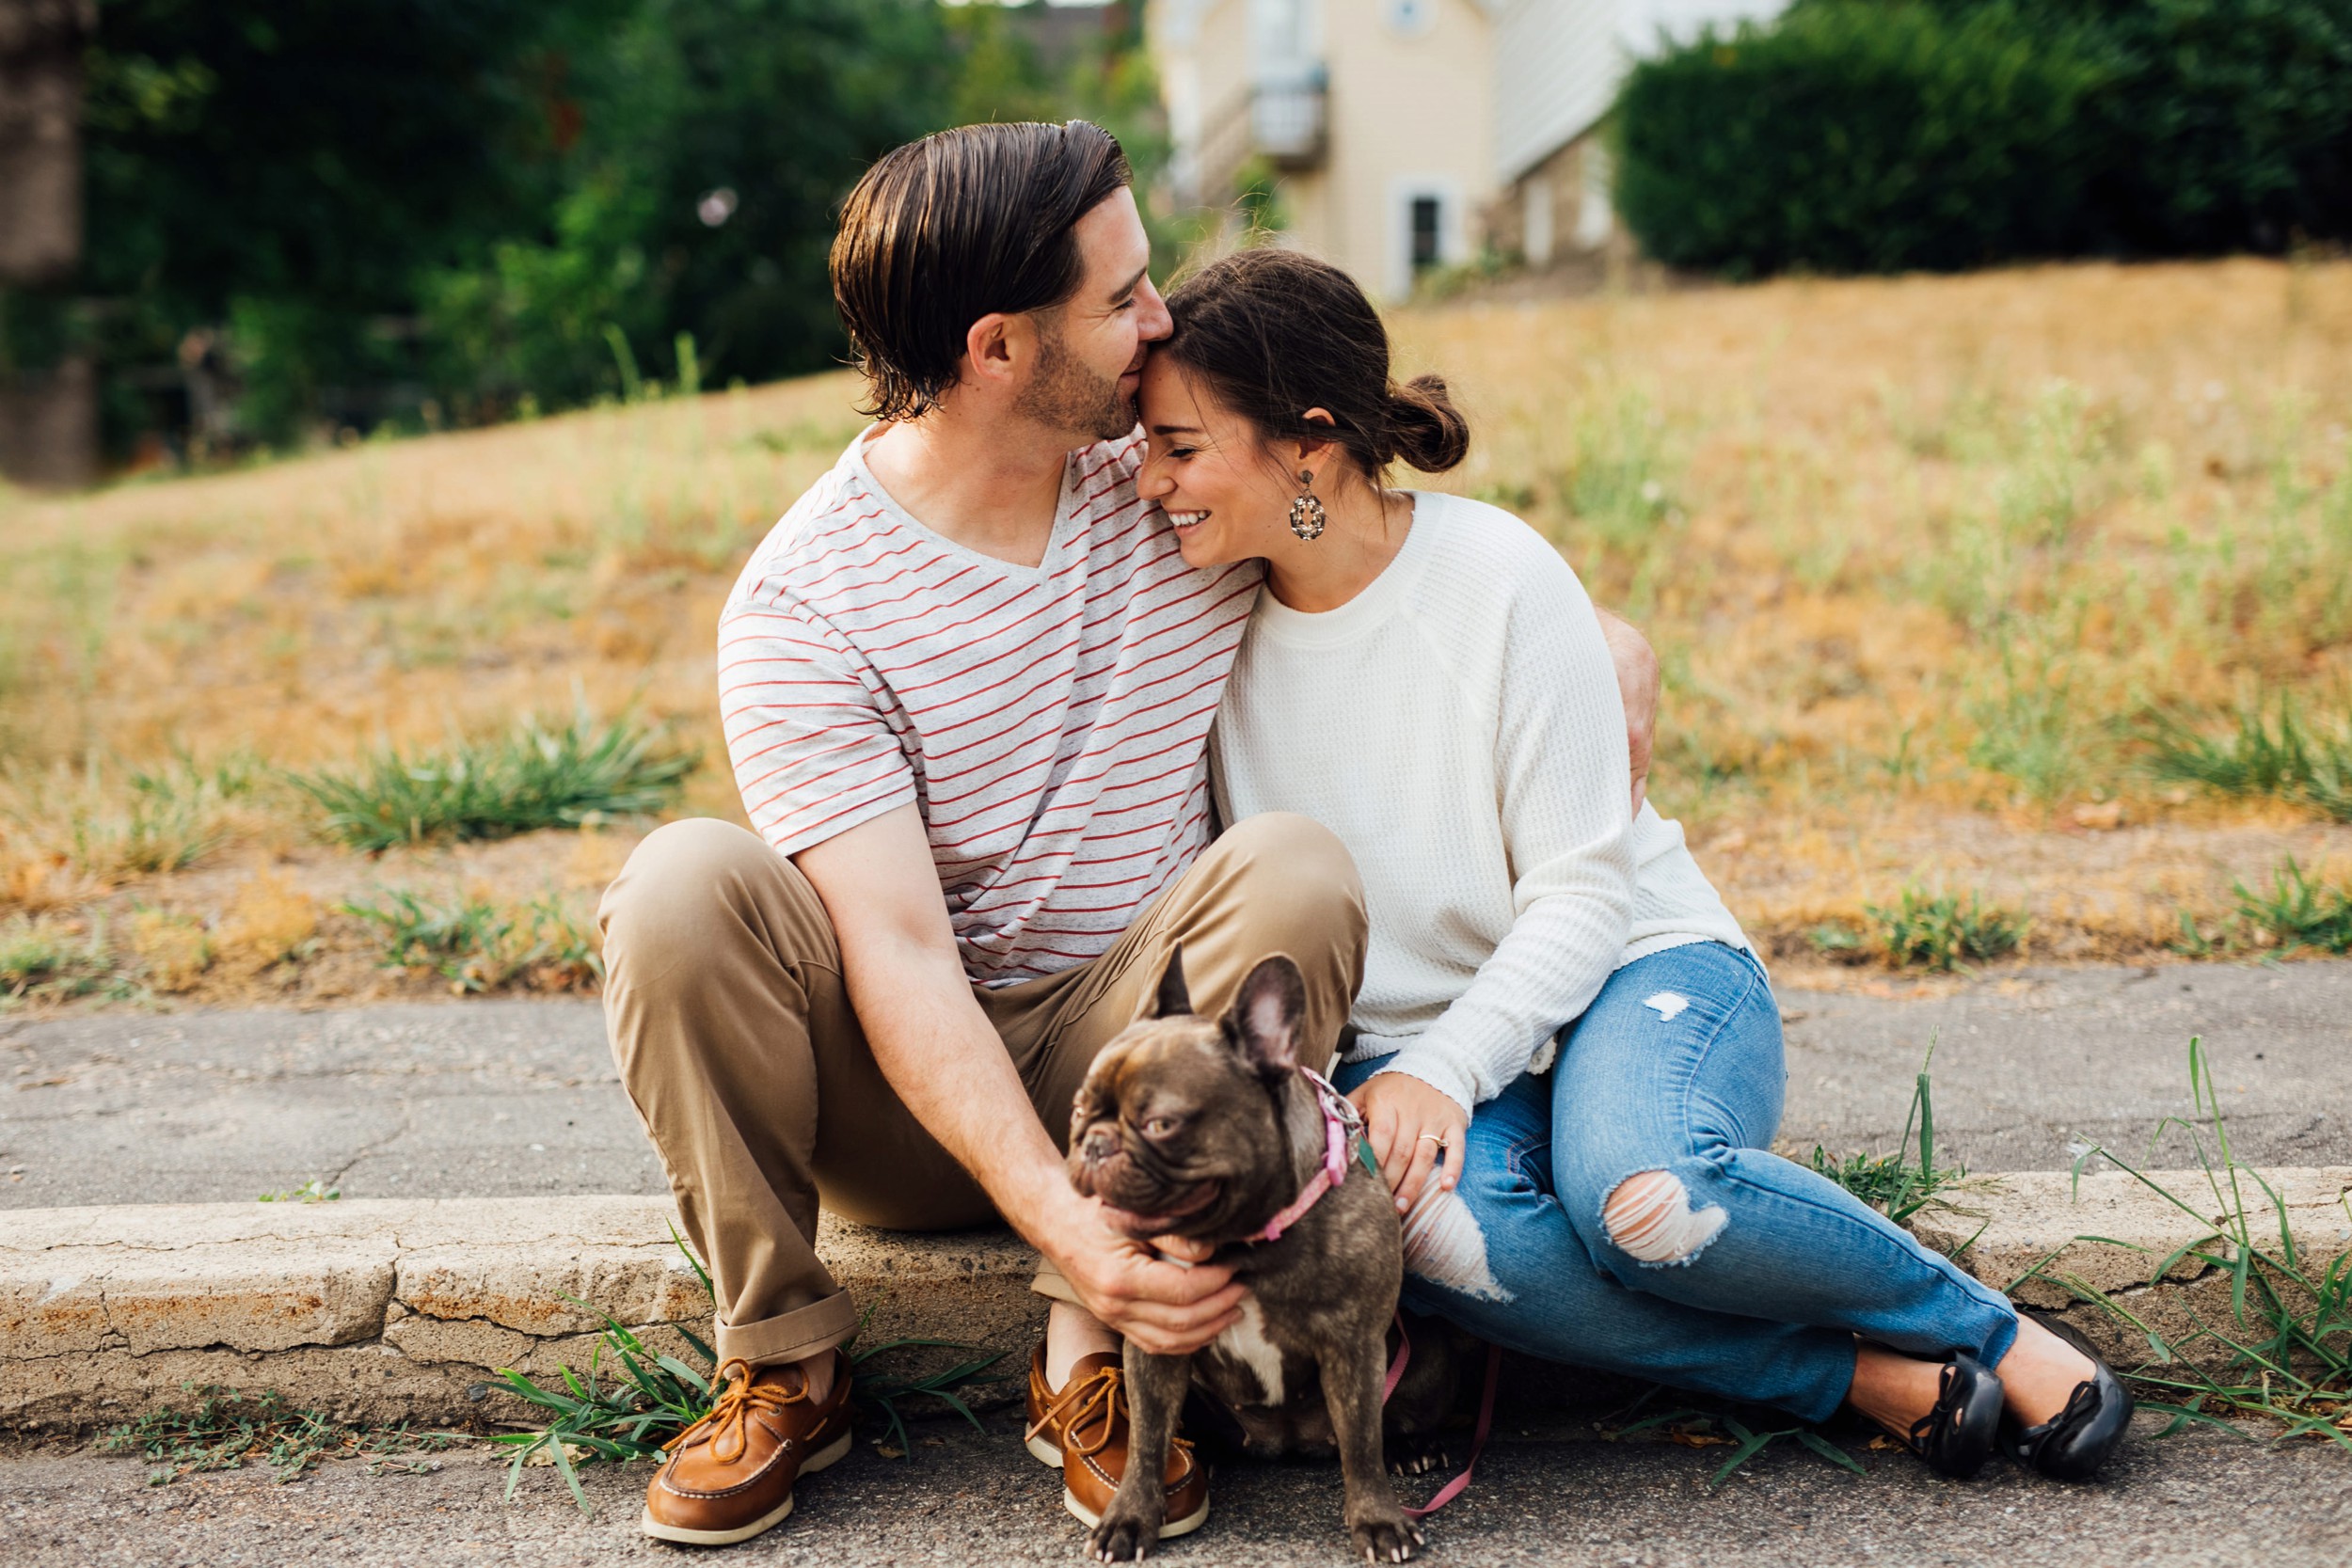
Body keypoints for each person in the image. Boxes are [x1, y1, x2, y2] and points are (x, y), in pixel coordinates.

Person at [596, 121, 1664, 1546]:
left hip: (1149, 1057)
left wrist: (1599, 645)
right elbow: (902, 959)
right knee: (679, 886)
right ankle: (783, 1365)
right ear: (995, 349)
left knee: (1288, 862)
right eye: (1121, 299)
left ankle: (1090, 1364)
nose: (1161, 321)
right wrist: (1065, 1216)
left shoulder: (1160, 488)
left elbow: (1377, 539)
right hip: (902, 1092)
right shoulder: (804, 607)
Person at [1136, 245, 2133, 1485]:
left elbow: (1581, 894)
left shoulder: (1498, 578)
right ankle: (1861, 1381)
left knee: (1645, 1198)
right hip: (1409, 1047)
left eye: (1180, 445)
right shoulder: (1204, 628)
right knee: (1432, 1236)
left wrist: (1451, 1071)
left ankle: (1991, 1334)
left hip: (1630, 966)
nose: (1150, 478)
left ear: (1311, 442)